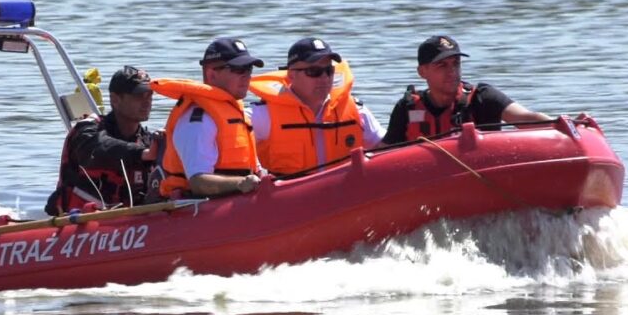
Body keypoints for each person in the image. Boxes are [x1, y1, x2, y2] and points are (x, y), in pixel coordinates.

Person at [248, 37, 385, 176]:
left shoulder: (356, 110)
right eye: (314, 71)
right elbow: (237, 151)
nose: (324, 78)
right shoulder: (263, 115)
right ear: (292, 74)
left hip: (345, 187)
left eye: (329, 70)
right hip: (292, 189)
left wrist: (397, 128)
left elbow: (385, 150)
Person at [382, 35, 551, 145]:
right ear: (422, 72)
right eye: (442, 65)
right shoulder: (407, 108)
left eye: (456, 64)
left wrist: (564, 127)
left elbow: (528, 118)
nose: (452, 71)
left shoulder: (482, 97)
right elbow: (381, 153)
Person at [151, 37, 263, 198]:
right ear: (212, 75)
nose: (247, 76)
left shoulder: (238, 113)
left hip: (238, 200)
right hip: (197, 205)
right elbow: (198, 183)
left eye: (249, 69)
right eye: (239, 69)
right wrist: (240, 183)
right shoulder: (198, 120)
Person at [45, 66, 160, 216]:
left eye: (149, 95)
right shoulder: (87, 130)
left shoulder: (148, 141)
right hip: (79, 221)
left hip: (131, 223)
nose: (147, 102)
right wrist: (141, 153)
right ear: (115, 99)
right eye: (138, 96)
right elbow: (97, 149)